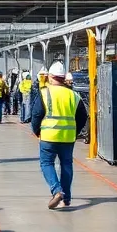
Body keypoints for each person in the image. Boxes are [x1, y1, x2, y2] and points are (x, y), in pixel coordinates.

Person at [32, 61, 89, 209]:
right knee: (66, 165)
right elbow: (83, 116)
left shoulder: (45, 93)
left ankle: (56, 190)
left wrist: (36, 130)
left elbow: (37, 114)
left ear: (50, 77)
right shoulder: (74, 95)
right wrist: (75, 132)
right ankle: (67, 198)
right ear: (63, 78)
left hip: (48, 136)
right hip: (68, 137)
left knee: (46, 163)